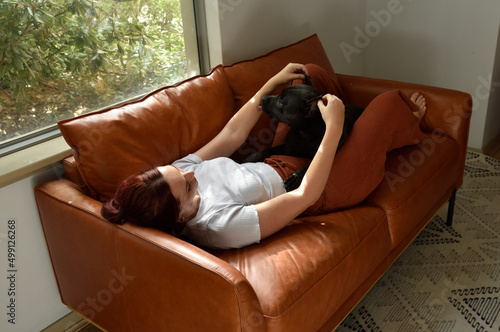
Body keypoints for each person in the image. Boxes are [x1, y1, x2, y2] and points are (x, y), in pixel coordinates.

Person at [101, 63, 427, 249]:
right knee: (385, 105)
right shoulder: (219, 226)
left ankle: (344, 119)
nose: (190, 174)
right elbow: (304, 195)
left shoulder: (177, 174)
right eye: (187, 188)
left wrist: (269, 85)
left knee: (307, 72)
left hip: (282, 155)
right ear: (179, 218)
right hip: (320, 185)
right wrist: (333, 129)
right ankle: (411, 124)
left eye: (177, 171)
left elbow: (231, 135)